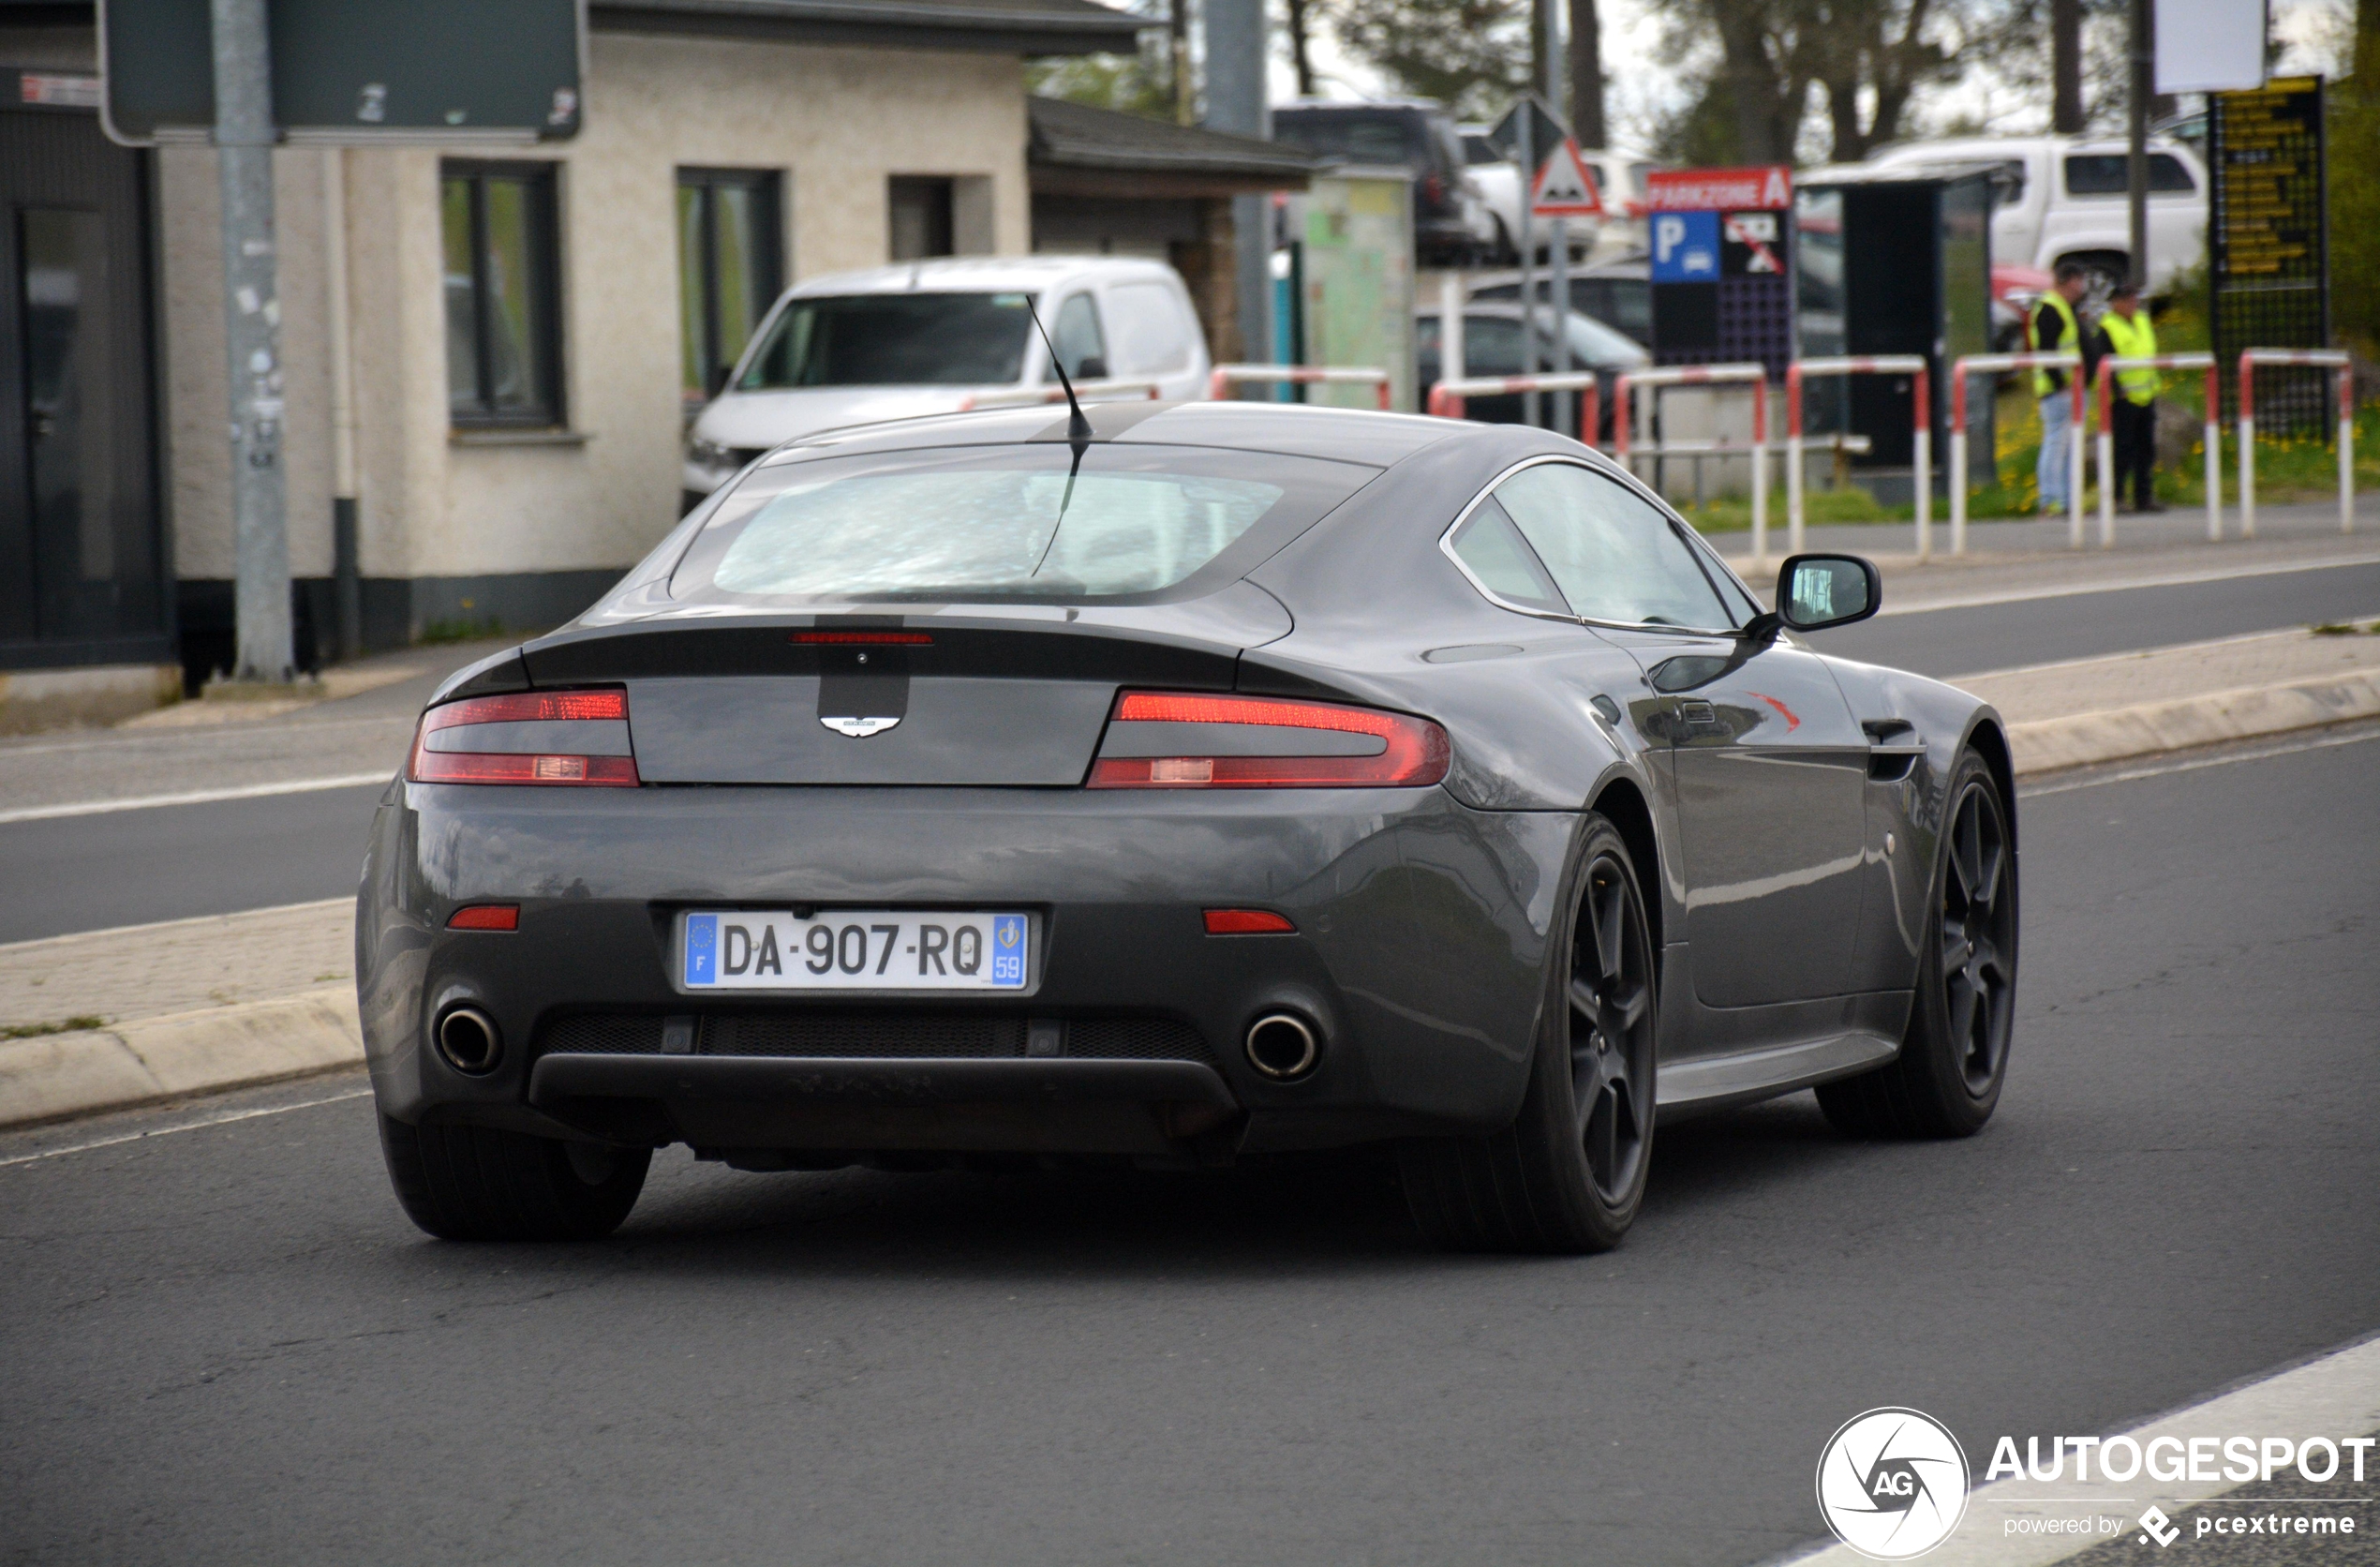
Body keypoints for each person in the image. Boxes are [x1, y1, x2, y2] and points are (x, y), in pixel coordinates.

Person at [2028, 261, 2101, 515]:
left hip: (2073, 388)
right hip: (2059, 391)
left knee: (2070, 448)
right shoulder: (2050, 309)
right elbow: (2047, 352)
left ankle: (2069, 501)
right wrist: (2060, 385)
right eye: (2079, 280)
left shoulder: (2065, 307)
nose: (2082, 287)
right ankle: (2050, 501)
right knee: (2057, 445)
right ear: (2068, 281)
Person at [2098, 280, 2164, 513]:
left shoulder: (2142, 321)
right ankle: (2117, 498)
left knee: (2146, 449)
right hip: (2123, 399)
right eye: (2127, 299)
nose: (2133, 303)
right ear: (2115, 303)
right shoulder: (2107, 327)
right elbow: (2105, 364)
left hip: (2146, 395)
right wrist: (2118, 391)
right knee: (2122, 450)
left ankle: (2143, 497)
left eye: (2134, 298)